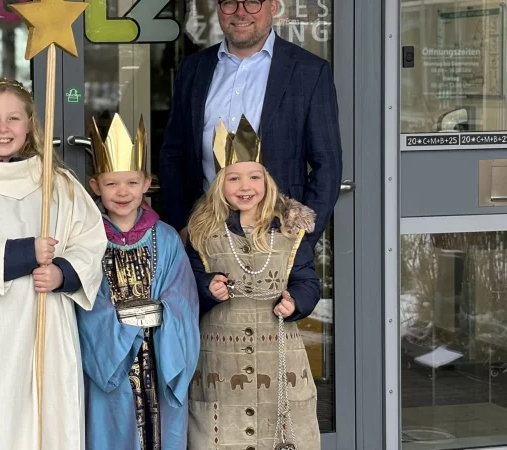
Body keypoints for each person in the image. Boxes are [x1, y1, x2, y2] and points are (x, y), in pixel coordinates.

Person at [0, 78, 108, 449]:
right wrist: (26, 253)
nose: (3, 128)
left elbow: (91, 241)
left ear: (30, 124)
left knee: (50, 412)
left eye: (14, 118)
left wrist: (62, 273)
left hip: (47, 314)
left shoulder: (58, 184)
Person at [158, 0, 342, 249]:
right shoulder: (193, 68)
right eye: (230, 3)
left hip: (278, 236)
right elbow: (173, 153)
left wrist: (300, 243)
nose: (241, 12)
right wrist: (181, 227)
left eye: (253, 2)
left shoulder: (309, 71)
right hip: (203, 234)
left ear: (273, 7)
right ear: (219, 9)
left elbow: (327, 166)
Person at [186, 116, 320, 449]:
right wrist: (206, 287)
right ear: (219, 184)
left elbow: (306, 279)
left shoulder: (289, 230)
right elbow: (187, 282)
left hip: (279, 353)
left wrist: (297, 302)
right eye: (234, 178)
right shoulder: (201, 232)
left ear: (267, 181)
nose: (245, 187)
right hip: (220, 356)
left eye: (254, 177)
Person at [76, 115, 200, 450]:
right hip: (111, 359)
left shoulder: (166, 237)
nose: (122, 192)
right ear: (95, 186)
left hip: (159, 354)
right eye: (111, 184)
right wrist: (121, 326)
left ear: (146, 184)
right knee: (112, 426)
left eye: (131, 182)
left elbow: (183, 297)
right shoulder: (87, 238)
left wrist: (160, 315)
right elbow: (86, 299)